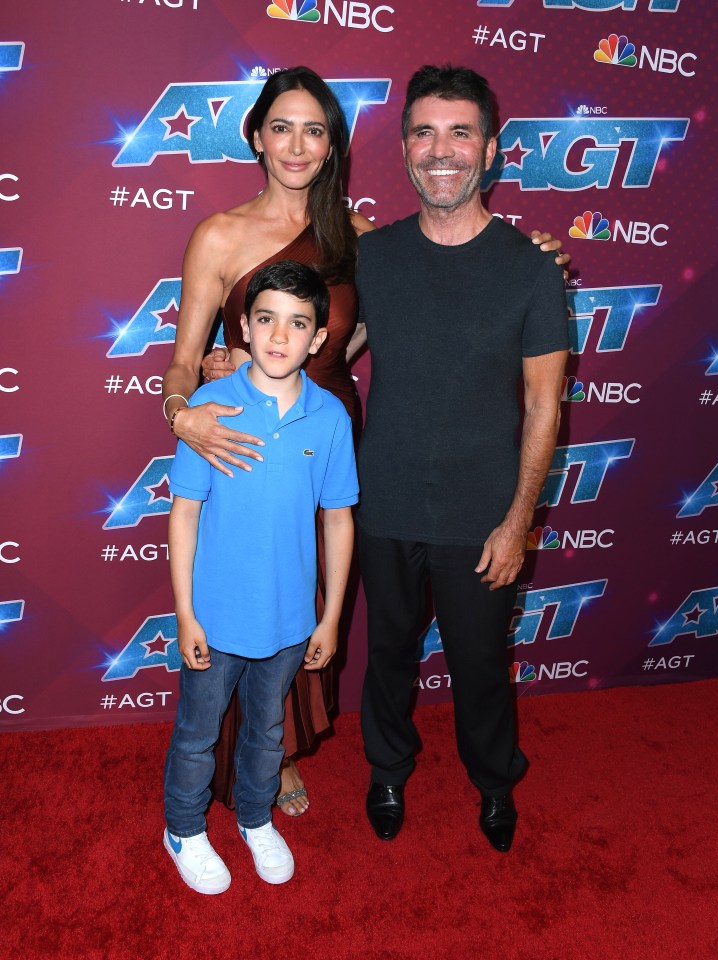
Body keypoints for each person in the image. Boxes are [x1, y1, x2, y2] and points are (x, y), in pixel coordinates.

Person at [162, 65, 568, 819]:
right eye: (280, 126)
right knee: (327, 624)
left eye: (314, 129)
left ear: (490, 149)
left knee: (425, 645)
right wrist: (197, 397)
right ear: (255, 135)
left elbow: (347, 344)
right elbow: (235, 352)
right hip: (295, 456)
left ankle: (480, 782)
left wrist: (533, 256)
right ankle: (305, 762)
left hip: (365, 455)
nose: (296, 144)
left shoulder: (370, 243)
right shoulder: (296, 243)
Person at [356, 65, 570, 854]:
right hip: (382, 503)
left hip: (484, 512)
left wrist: (519, 521)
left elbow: (545, 405)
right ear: (405, 146)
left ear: (491, 151)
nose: (439, 149)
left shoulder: (529, 266)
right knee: (387, 658)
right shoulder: (372, 257)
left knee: (482, 666)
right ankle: (386, 769)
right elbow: (324, 355)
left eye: (459, 132)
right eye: (423, 131)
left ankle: (493, 783)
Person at [163, 260, 358, 894]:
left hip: (291, 618)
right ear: (243, 326)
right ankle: (184, 828)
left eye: (298, 323)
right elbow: (185, 513)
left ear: (319, 340)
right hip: (216, 615)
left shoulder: (330, 417)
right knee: (197, 734)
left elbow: (337, 519)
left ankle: (253, 817)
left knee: (268, 729)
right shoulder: (209, 407)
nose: (280, 335)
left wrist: (328, 618)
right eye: (266, 318)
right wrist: (187, 613)